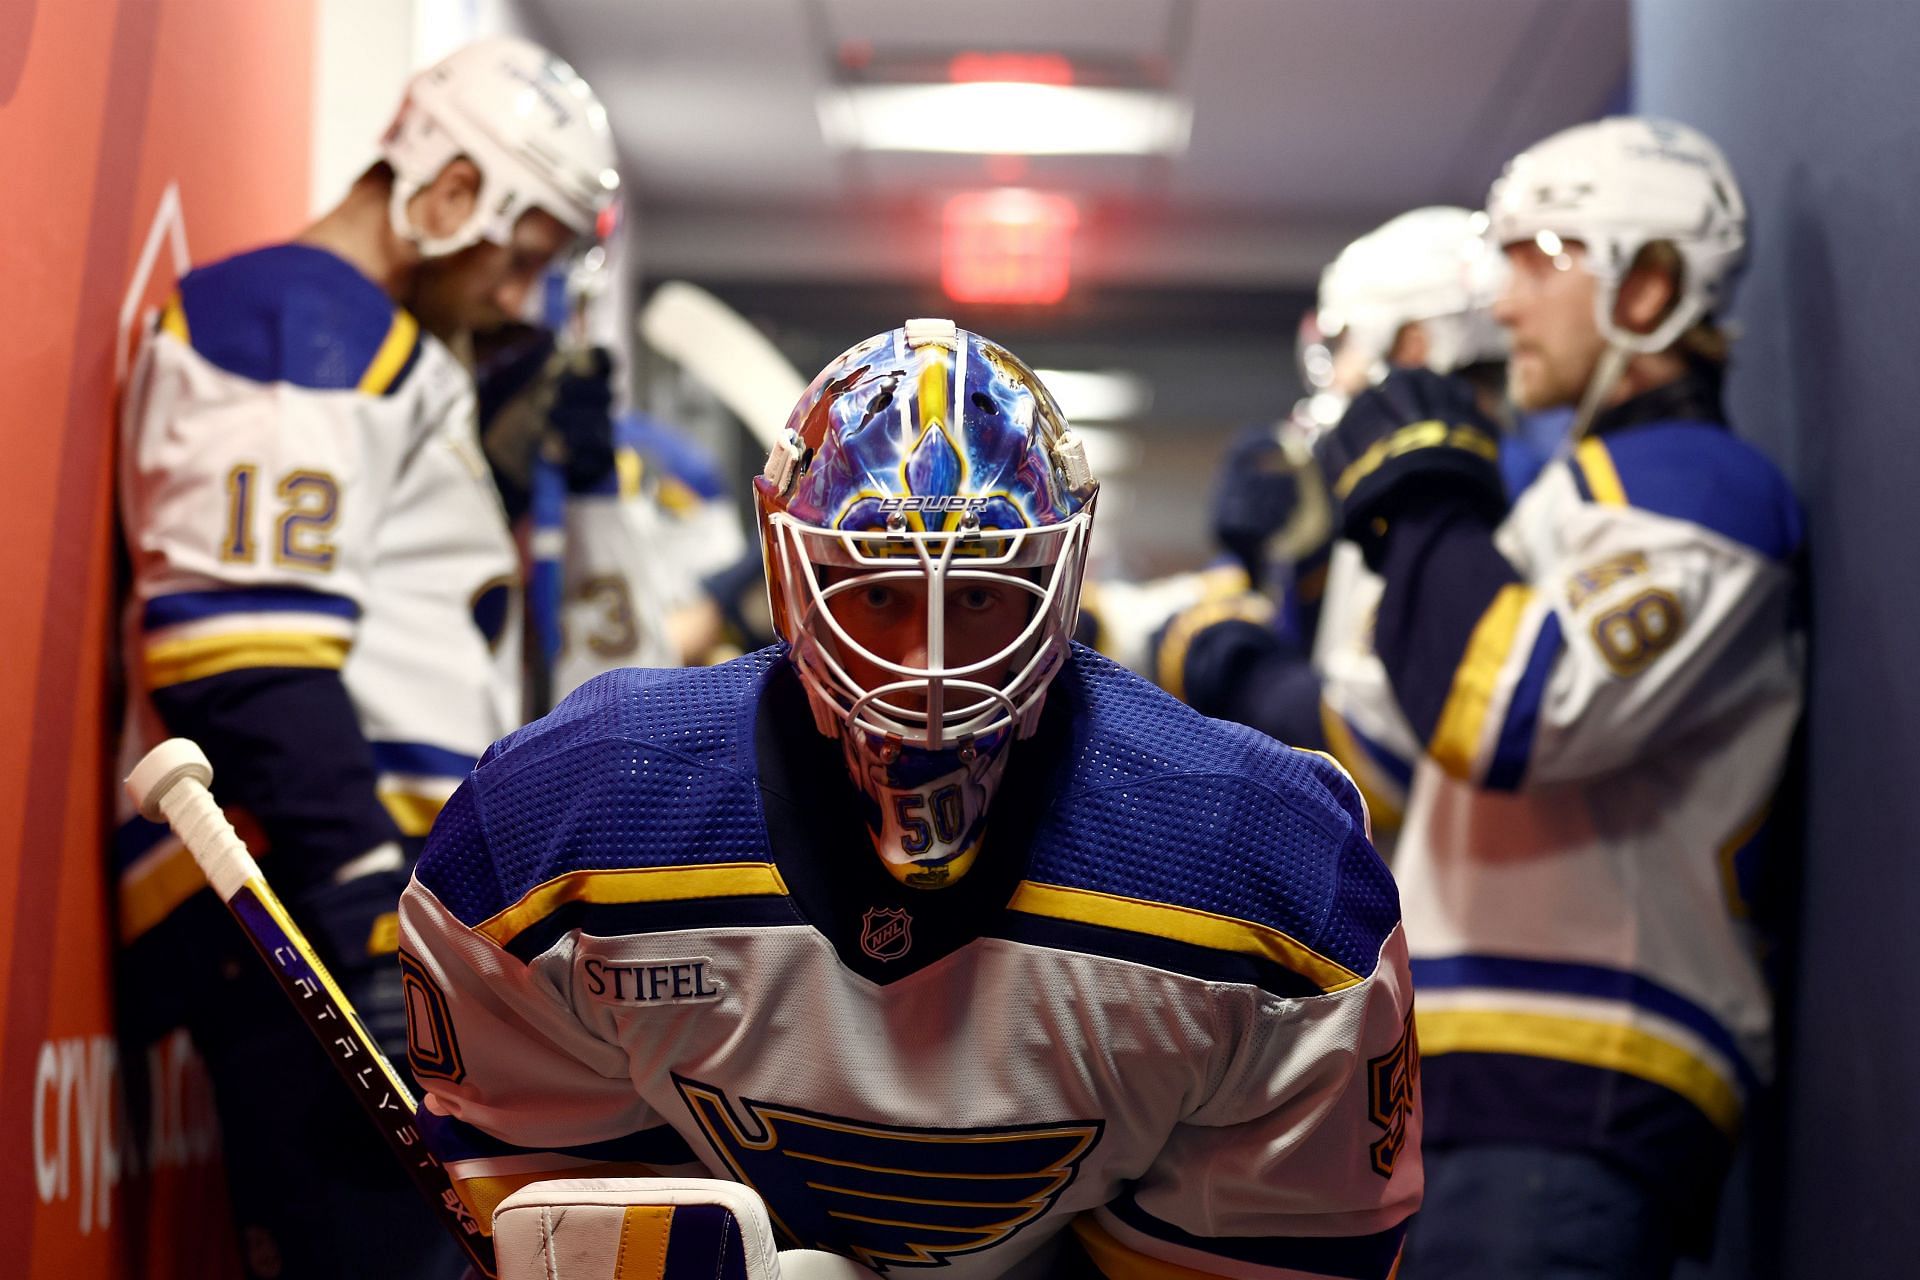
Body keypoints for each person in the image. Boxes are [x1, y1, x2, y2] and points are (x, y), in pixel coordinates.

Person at [397, 320, 1422, 1278]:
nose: (925, 667)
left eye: (979, 594)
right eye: (877, 592)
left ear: (1062, 574)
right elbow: (552, 1208)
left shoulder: (1263, 861)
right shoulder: (564, 816)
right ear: (785, 563)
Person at [114, 35, 621, 1278]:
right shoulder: (296, 317)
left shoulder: (372, 342)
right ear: (452, 191)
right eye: (525, 254)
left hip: (353, 901)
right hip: (305, 903)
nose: (518, 296)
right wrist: (358, 919)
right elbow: (247, 658)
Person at [1315, 118, 1802, 1275]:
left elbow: (1509, 713)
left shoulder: (1700, 487)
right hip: (1475, 1076)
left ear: (1651, 281)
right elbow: (1385, 752)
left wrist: (1427, 505)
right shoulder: (1562, 497)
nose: (1509, 295)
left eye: (1545, 254)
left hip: (1583, 1066)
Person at [1158, 206, 1515, 839]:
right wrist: (1286, 567)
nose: (1338, 371)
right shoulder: (1459, 477)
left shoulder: (1456, 492)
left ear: (1412, 345)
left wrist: (1244, 672)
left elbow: (1384, 759)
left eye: (1345, 342)